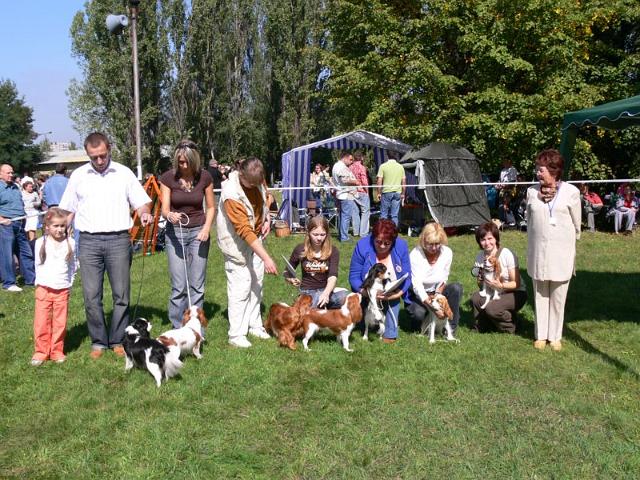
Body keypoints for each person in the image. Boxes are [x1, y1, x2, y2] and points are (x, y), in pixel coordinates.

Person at [59, 132, 153, 359]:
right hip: (89, 242)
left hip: (119, 240)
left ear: (109, 149)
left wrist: (144, 213)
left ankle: (118, 340)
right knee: (92, 296)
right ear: (87, 154)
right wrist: (59, 231)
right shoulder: (78, 175)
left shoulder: (124, 173)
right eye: (94, 157)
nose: (99, 161)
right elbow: (67, 210)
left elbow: (142, 202)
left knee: (121, 295)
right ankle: (99, 341)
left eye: (102, 155)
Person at [217, 157, 278, 348]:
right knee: (240, 287)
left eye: (257, 183)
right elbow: (244, 230)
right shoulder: (231, 194)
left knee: (256, 284)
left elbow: (266, 199)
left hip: (256, 238)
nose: (254, 186)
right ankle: (236, 334)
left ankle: (254, 325)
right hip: (236, 244)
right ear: (241, 174)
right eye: (250, 184)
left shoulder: (257, 179)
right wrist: (267, 258)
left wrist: (266, 219)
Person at [526, 149, 581, 351]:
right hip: (538, 253)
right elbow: (529, 220)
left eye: (541, 169)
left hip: (561, 253)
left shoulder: (571, 192)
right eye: (538, 169)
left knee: (558, 296)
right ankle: (541, 335)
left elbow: (577, 224)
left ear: (554, 170)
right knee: (540, 295)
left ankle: (555, 336)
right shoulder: (531, 192)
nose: (538, 173)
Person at [160, 140, 215, 328]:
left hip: (199, 232)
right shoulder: (168, 178)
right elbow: (164, 209)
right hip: (175, 234)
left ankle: (195, 327)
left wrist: (206, 229)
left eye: (186, 162)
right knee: (179, 286)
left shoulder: (205, 177)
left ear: (194, 160)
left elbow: (211, 207)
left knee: (197, 285)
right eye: (180, 162)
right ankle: (178, 327)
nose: (183, 165)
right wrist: (170, 215)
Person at [349, 219, 412, 343]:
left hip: (391, 293)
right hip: (366, 292)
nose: (382, 246)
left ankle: (390, 332)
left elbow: (407, 275)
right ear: (373, 237)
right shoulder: (362, 245)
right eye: (378, 242)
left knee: (393, 299)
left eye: (387, 243)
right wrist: (366, 292)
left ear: (393, 241)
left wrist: (398, 294)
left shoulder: (401, 246)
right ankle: (365, 320)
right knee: (362, 323)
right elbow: (354, 277)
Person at [30, 208, 77, 366]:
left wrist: (69, 283)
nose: (59, 229)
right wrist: (40, 283)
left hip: (62, 289)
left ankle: (56, 351)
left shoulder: (71, 243)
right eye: (55, 226)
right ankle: (41, 352)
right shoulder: (40, 242)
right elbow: (37, 265)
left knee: (60, 322)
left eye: (62, 226)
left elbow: (73, 266)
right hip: (43, 288)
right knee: (41, 321)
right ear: (47, 226)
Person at [471, 222, 527, 333]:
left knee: (492, 308)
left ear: (496, 238)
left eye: (490, 238)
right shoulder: (480, 256)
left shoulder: (507, 254)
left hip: (515, 292)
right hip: (493, 290)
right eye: (483, 240)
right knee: (475, 298)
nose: (487, 243)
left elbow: (516, 283)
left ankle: (512, 325)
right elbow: (480, 284)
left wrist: (500, 285)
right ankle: (483, 325)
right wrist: (481, 280)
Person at [407, 222, 463, 334]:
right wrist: (434, 308)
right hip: (419, 294)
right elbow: (417, 286)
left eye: (437, 244)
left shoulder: (447, 253)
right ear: (424, 241)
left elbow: (444, 278)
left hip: (436, 291)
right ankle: (423, 323)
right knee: (418, 314)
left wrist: (438, 295)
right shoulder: (415, 254)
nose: (434, 248)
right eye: (430, 244)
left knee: (456, 288)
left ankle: (450, 329)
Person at [285, 215, 347, 309]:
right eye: (315, 234)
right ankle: (321, 310)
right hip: (307, 292)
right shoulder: (300, 249)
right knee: (316, 302)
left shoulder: (333, 251)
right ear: (308, 233)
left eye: (322, 235)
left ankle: (324, 308)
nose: (319, 238)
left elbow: (333, 276)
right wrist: (290, 279)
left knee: (348, 297)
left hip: (326, 290)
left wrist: (326, 293)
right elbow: (286, 272)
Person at [0, 164, 35, 292]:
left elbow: (19, 203)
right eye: (8, 173)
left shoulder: (15, 186)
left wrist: (23, 217)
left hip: (20, 224)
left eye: (12, 172)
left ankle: (31, 279)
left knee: (26, 252)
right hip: (6, 225)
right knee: (7, 255)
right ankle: (9, 283)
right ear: (0, 174)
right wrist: (2, 220)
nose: (11, 175)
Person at [332, 151, 359, 241]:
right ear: (345, 158)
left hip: (340, 194)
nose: (351, 162)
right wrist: (356, 182)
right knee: (346, 217)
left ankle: (342, 235)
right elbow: (345, 180)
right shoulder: (341, 167)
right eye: (350, 159)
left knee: (342, 216)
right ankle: (344, 237)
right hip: (346, 194)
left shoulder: (336, 166)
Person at [376, 151, 406, 227]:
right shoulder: (400, 167)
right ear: (396, 156)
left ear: (387, 156)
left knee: (384, 214)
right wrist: (403, 193)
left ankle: (382, 231)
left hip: (386, 192)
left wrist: (378, 192)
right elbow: (403, 182)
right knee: (394, 215)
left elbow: (379, 181)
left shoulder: (383, 166)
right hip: (397, 193)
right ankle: (394, 231)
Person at [349, 150, 371, 237]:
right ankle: (363, 232)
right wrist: (367, 191)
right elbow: (364, 180)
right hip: (362, 191)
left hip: (353, 191)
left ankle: (356, 231)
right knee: (365, 212)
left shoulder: (350, 167)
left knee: (355, 212)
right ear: (361, 158)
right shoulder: (362, 167)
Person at [21, 179, 41, 243]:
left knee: (32, 228)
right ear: (25, 187)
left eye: (32, 187)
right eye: (30, 187)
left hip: (33, 213)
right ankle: (28, 242)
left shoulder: (34, 193)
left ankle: (32, 242)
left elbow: (39, 202)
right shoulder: (21, 193)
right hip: (25, 213)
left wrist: (34, 204)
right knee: (26, 229)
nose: (31, 188)